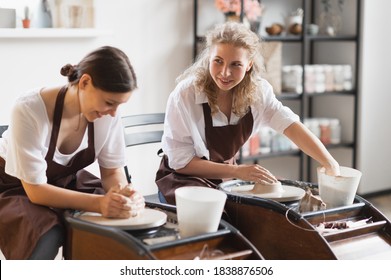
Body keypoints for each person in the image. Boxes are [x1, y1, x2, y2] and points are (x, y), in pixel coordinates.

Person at [155, 22, 340, 205]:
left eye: (236, 64)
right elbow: (182, 164)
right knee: (224, 218)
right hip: (180, 181)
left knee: (274, 210)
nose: (225, 73)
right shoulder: (186, 94)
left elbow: (290, 125)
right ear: (208, 57)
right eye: (218, 61)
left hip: (224, 181)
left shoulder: (258, 92)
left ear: (249, 65)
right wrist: (237, 172)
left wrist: (330, 163)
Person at [0, 46, 145, 259]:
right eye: (109, 103)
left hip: (64, 181)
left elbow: (111, 171)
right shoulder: (29, 109)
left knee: (115, 223)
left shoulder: (108, 115)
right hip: (15, 186)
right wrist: (100, 204)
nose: (113, 113)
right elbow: (36, 191)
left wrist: (124, 196)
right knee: (46, 233)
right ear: (85, 82)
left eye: (119, 105)